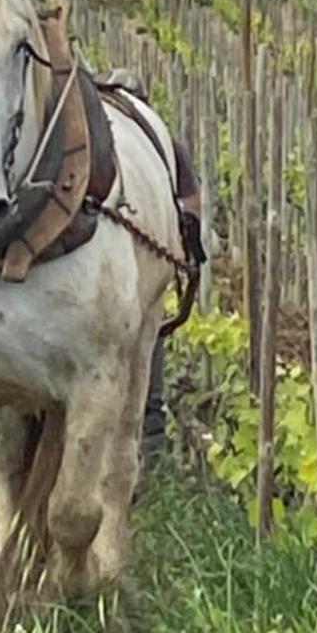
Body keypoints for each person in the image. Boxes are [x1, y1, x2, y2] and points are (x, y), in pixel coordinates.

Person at [102, 68, 202, 452]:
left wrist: (180, 235)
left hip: (144, 255)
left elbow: (191, 200)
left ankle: (150, 428)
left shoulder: (165, 146)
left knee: (149, 327)